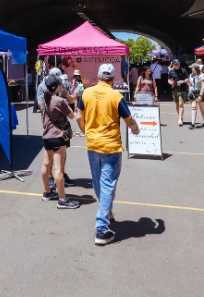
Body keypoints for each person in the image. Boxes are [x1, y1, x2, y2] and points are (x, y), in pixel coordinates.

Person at [77, 63, 139, 245]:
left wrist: (87, 132)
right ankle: (101, 229)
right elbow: (129, 119)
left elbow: (79, 116)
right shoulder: (116, 96)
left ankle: (107, 211)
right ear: (113, 78)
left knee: (99, 183)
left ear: (98, 76)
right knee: (108, 184)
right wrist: (136, 130)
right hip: (110, 146)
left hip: (92, 144)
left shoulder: (86, 93)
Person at [40, 78, 80, 209]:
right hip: (58, 136)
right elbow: (72, 116)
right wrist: (67, 97)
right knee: (58, 168)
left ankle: (47, 192)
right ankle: (62, 199)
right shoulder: (59, 101)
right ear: (57, 86)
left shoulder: (44, 100)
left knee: (46, 164)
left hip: (46, 135)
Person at [167, 59, 189, 126]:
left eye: (178, 64)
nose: (177, 65)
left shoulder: (183, 70)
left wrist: (183, 81)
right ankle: (180, 117)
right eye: (176, 64)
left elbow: (187, 79)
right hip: (174, 89)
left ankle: (179, 120)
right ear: (173, 64)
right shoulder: (171, 71)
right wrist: (171, 83)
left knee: (181, 104)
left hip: (182, 89)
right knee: (177, 104)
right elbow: (169, 79)